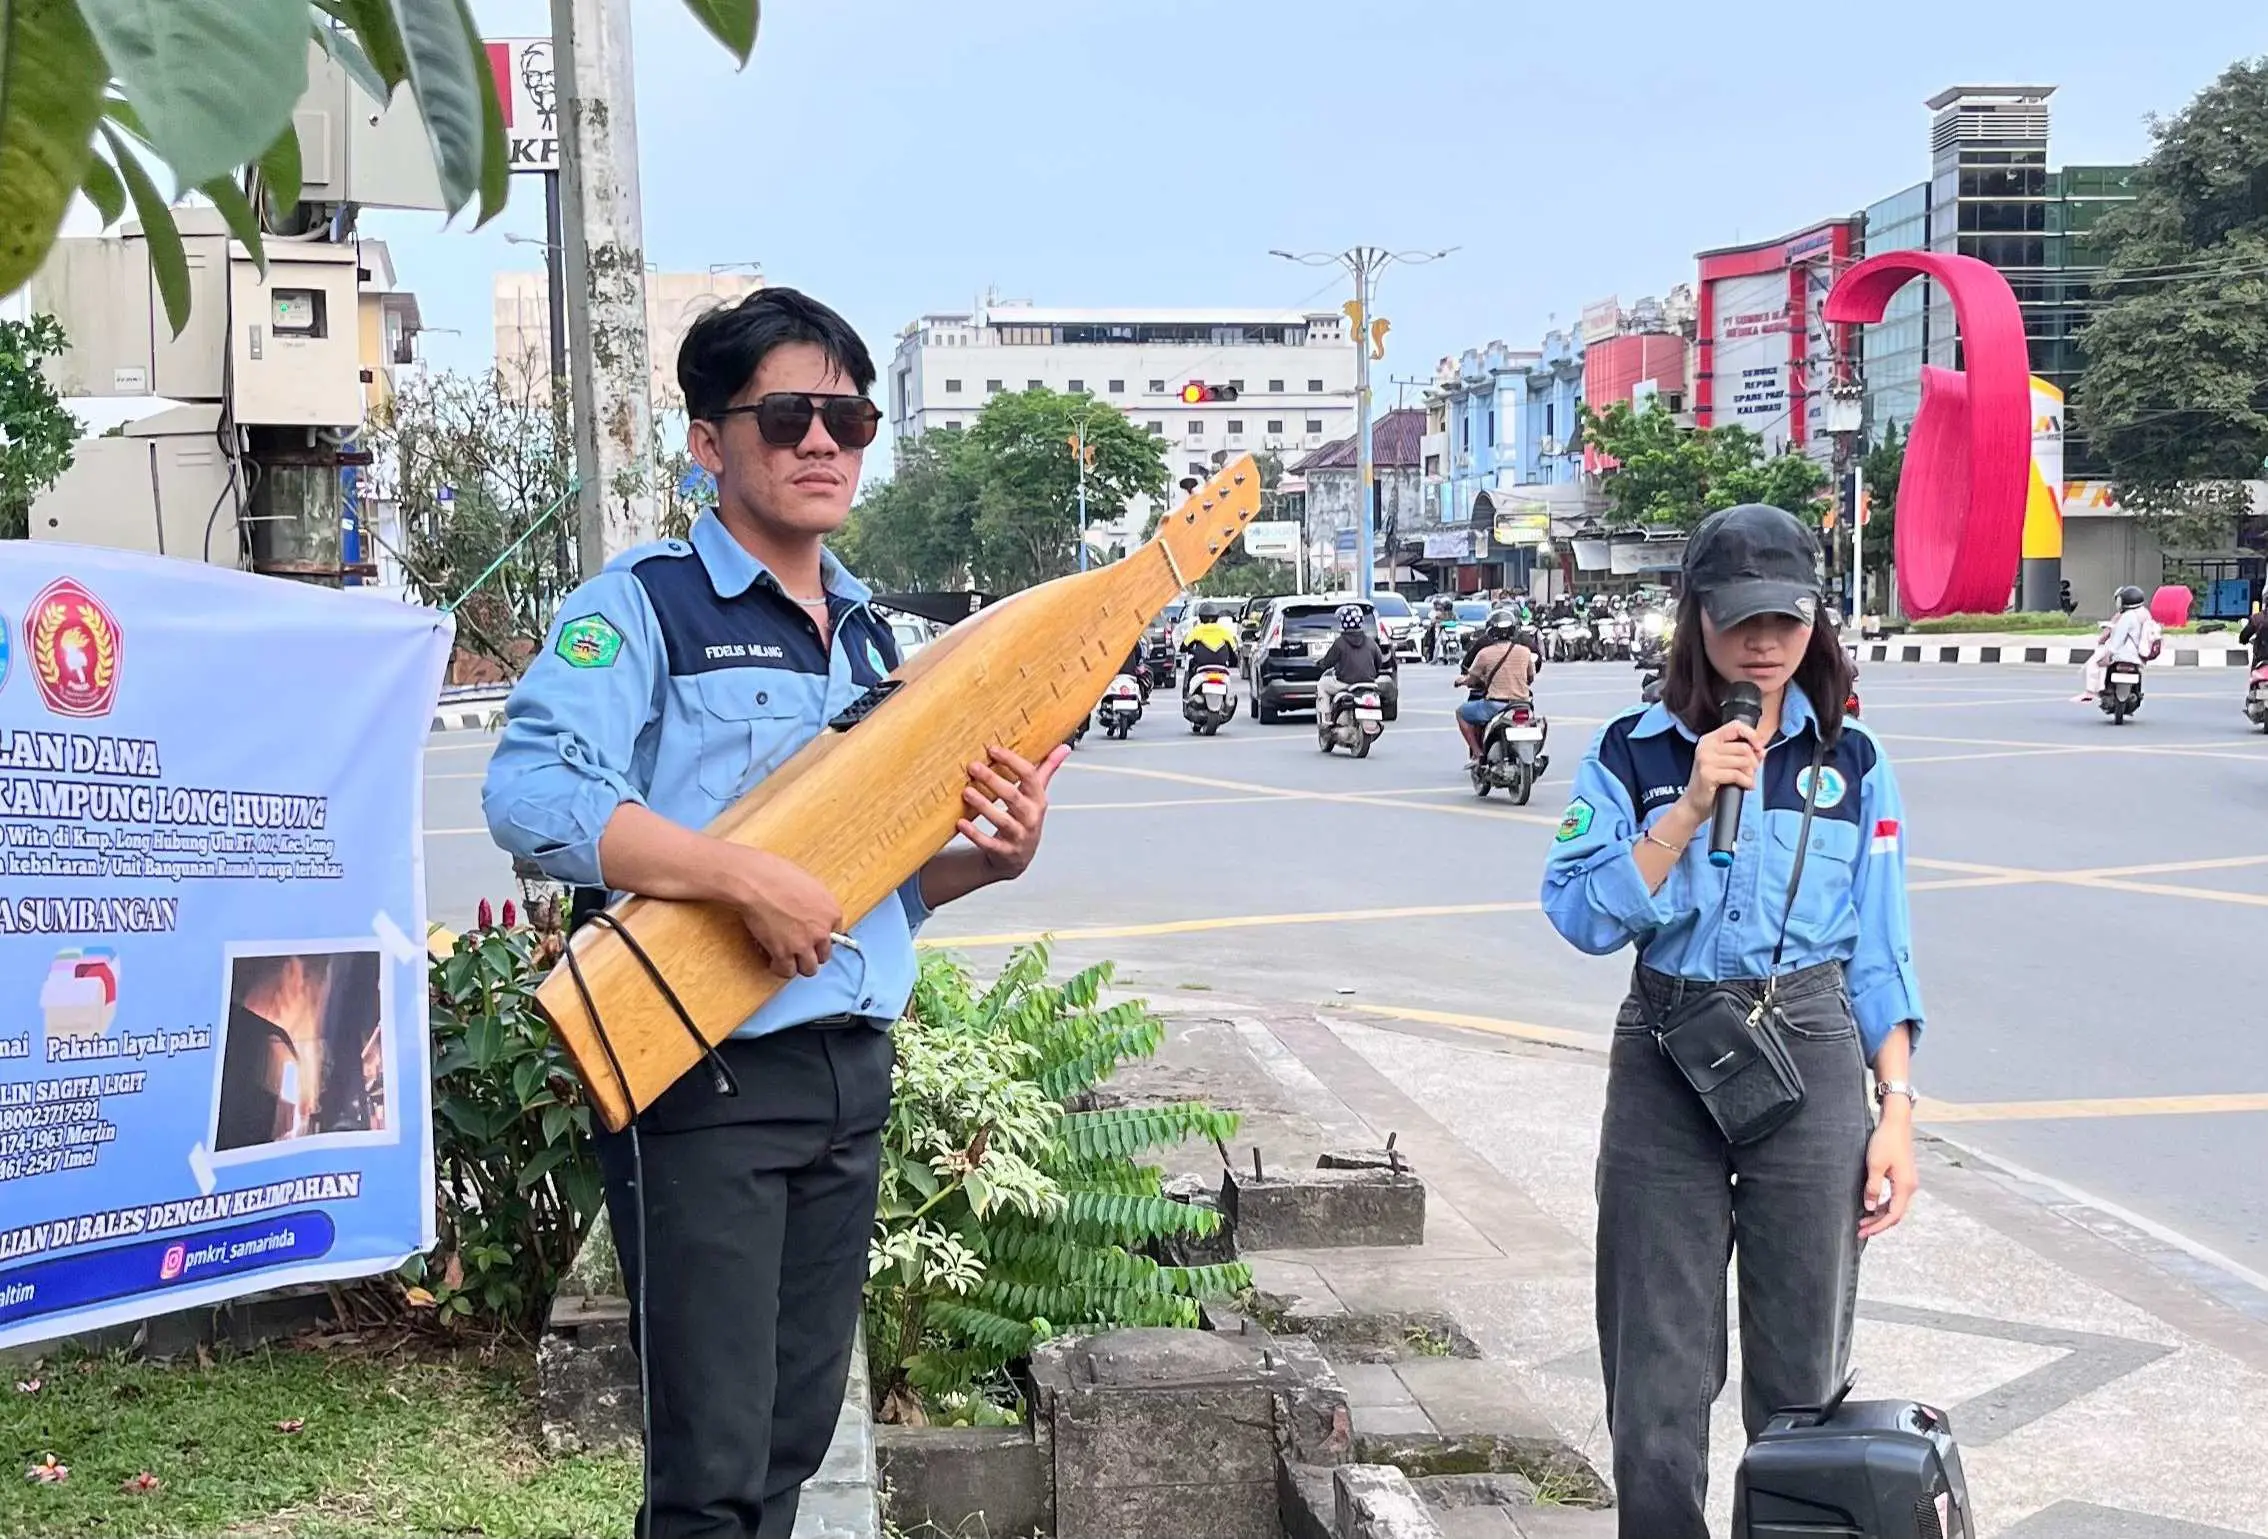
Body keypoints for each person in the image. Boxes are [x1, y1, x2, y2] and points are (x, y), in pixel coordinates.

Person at [483, 288, 1066, 1539]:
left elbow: (869, 887)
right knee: (711, 1468)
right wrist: (737, 875)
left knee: (793, 1442)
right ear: (709, 440)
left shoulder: (875, 645)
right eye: (789, 414)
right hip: (704, 1082)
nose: (822, 442)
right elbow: (531, 794)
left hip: (850, 1076)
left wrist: (985, 863)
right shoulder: (643, 607)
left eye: (847, 417)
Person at [1539, 503, 1924, 1539]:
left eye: (1785, 621)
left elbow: (1879, 948)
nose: (1763, 643)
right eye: (1738, 619)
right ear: (1694, 618)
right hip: (1671, 1050)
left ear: (1816, 622)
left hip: (1812, 1049)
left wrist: (1897, 1110)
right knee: (1656, 1368)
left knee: (1804, 1369)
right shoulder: (1631, 753)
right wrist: (1687, 809)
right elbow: (1579, 914)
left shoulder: (1857, 761)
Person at [1455, 605, 1540, 764]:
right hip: (1522, 704)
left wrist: (1462, 681)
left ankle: (1478, 753)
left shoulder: (1484, 653)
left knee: (1461, 713)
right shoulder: (1524, 651)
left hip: (1495, 705)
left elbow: (1472, 679)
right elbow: (1531, 677)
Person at [2075, 584, 2161, 703]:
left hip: (2122, 653)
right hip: (2139, 654)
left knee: (2094, 662)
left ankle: (2090, 692)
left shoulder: (2127, 616)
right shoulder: (2145, 614)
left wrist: (2108, 654)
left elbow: (2117, 640)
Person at [1315, 603, 1389, 721]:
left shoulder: (1340, 642)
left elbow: (1327, 662)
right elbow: (1379, 661)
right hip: (1367, 683)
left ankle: (1326, 719)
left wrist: (1319, 664)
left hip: (1345, 683)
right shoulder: (1370, 642)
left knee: (1322, 685)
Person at [1181, 602, 1241, 689]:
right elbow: (1233, 648)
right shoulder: (1224, 630)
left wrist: (1192, 651)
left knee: (1190, 664)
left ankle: (1188, 689)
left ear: (1201, 617)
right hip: (1221, 665)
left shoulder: (1197, 630)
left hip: (1202, 665)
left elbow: (1184, 647)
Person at [2244, 597, 2268, 669]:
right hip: (2261, 659)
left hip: (2260, 658)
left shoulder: (2257, 618)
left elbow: (2243, 637)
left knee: (2255, 675)